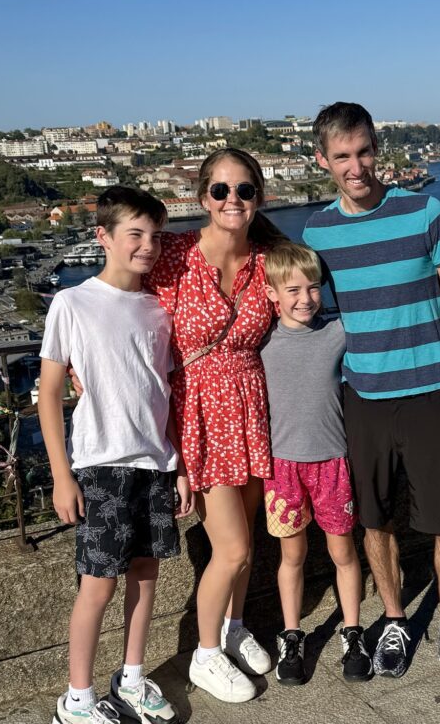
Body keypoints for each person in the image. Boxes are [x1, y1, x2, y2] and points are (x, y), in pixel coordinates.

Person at [303, 102, 440, 694]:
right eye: (342, 157)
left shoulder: (426, 211)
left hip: (433, 390)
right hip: (363, 395)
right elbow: (298, 307)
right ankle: (395, 619)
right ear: (322, 160)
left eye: (363, 152)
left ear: (376, 149)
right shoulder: (317, 232)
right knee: (374, 519)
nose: (355, 166)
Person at [38, 186, 194, 724]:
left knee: (146, 574)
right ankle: (76, 698)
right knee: (98, 583)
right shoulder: (73, 302)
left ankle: (131, 675)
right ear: (103, 237)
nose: (147, 246)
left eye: (155, 235)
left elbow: (162, 392)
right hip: (101, 463)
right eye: (135, 234)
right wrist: (62, 476)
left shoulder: (159, 308)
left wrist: (176, 465)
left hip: (153, 461)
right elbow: (50, 394)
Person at [146, 148, 281, 703]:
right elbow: (118, 300)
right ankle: (204, 655)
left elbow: (304, 307)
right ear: (203, 197)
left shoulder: (268, 260)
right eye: (221, 190)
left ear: (258, 198)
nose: (233, 200)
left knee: (245, 540)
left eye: (244, 190)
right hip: (198, 414)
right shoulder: (174, 256)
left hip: (251, 408)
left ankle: (233, 626)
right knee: (231, 549)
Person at [260, 241, 372, 686]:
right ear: (272, 294)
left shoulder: (337, 333)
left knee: (344, 552)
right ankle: (292, 634)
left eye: (313, 288)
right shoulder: (262, 343)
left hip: (332, 462)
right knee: (293, 555)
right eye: (292, 290)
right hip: (282, 467)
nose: (305, 298)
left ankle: (352, 630)